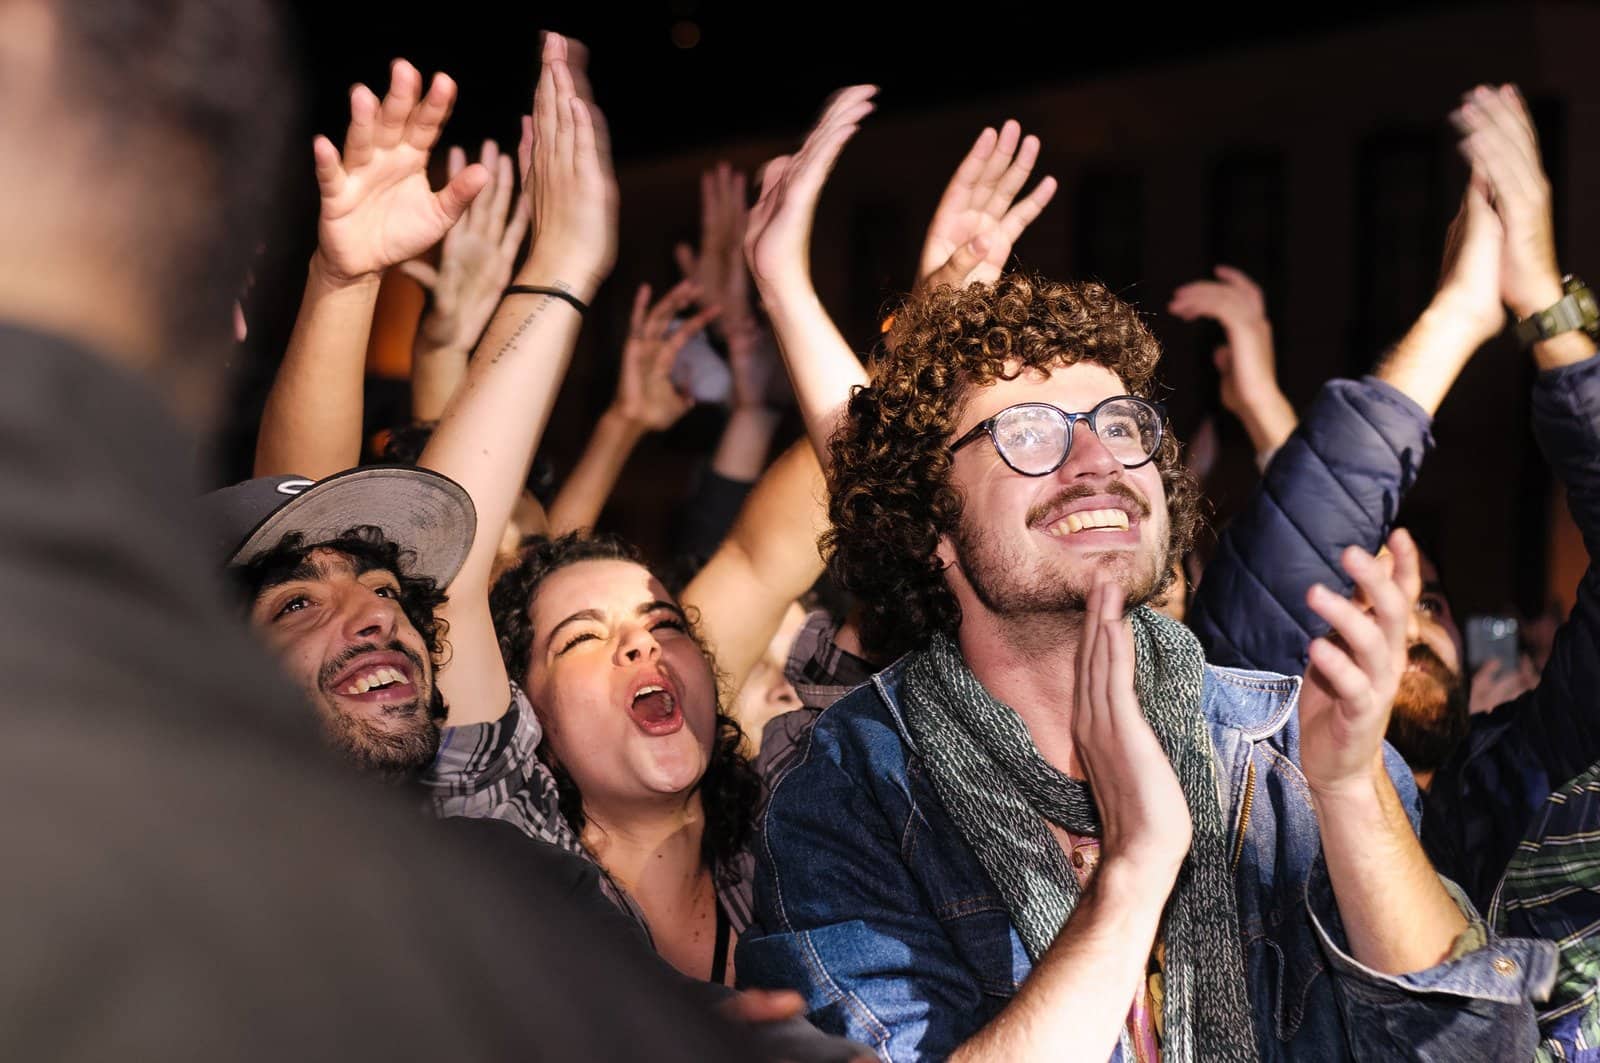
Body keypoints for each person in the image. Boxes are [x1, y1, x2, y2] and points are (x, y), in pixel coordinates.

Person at [0, 2, 764, 1059]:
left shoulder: (500, 830)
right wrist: (479, 275)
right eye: (303, 602)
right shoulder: (159, 883)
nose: (379, 617)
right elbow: (312, 486)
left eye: (392, 597)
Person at [732, 84, 1551, 1062]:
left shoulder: (1291, 734)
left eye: (1120, 428)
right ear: (932, 527)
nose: (1096, 463)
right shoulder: (843, 789)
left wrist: (1344, 791)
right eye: (1027, 434)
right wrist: (1132, 868)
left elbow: (1471, 1051)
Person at [1188, 84, 1600, 1060]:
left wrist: (1544, 306)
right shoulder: (1244, 771)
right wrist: (1456, 314)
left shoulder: (1528, 771)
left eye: (1430, 606)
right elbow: (1280, 576)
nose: (1407, 617)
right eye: (1367, 604)